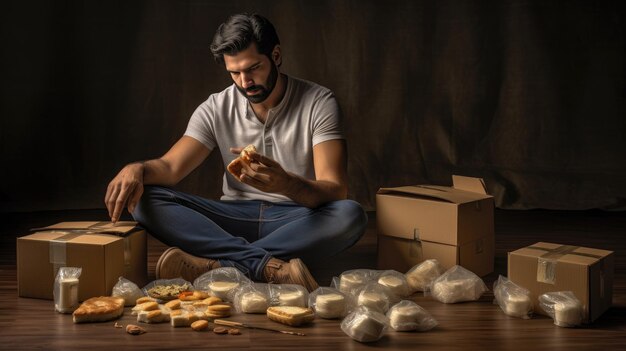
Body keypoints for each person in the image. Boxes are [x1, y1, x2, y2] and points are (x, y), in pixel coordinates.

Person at [104, 13, 367, 292]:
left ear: (276, 56)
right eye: (235, 72)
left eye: (253, 68)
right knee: (144, 199)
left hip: (296, 219)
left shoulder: (319, 102)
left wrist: (286, 184)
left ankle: (216, 267)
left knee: (350, 215)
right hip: (232, 218)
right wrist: (138, 169)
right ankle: (264, 265)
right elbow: (170, 169)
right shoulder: (216, 107)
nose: (245, 81)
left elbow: (335, 189)